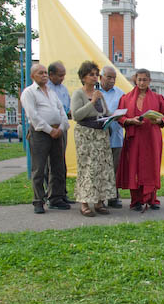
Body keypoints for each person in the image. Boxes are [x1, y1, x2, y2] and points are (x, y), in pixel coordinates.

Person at [116, 68, 164, 211]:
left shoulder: (158, 98)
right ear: (135, 80)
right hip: (134, 139)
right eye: (139, 79)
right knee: (134, 167)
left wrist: (160, 121)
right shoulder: (125, 98)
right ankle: (136, 200)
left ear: (149, 81)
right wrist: (130, 121)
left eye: (144, 80)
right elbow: (120, 117)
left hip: (152, 138)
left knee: (151, 167)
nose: (141, 82)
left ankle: (152, 199)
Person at [20, 64, 70, 214]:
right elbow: (33, 116)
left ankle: (55, 198)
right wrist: (50, 130)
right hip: (41, 133)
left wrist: (61, 128)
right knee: (39, 168)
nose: (44, 75)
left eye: (45, 73)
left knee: (58, 167)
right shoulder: (29, 93)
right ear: (32, 76)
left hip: (57, 131)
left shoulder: (51, 92)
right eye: (40, 73)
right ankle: (38, 201)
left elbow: (62, 111)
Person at [70, 61, 116, 217]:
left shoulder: (99, 94)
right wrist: (93, 102)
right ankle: (84, 203)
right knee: (88, 168)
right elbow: (77, 115)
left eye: (96, 74)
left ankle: (99, 202)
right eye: (91, 74)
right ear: (83, 77)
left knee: (102, 169)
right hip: (86, 135)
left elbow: (106, 112)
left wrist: (115, 116)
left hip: (101, 135)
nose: (95, 77)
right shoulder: (79, 94)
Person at [46, 61, 74, 205]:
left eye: (64, 75)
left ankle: (61, 193)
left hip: (62, 128)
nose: (62, 78)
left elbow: (67, 109)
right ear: (51, 75)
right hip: (48, 129)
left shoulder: (63, 89)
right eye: (60, 75)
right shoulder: (45, 89)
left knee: (60, 162)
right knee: (51, 164)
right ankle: (52, 195)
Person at [99, 65, 125, 209]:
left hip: (115, 136)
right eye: (109, 77)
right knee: (101, 168)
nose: (111, 80)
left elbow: (124, 112)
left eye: (114, 78)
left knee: (114, 168)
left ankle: (113, 196)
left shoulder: (120, 94)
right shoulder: (95, 92)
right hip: (98, 137)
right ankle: (100, 197)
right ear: (101, 77)